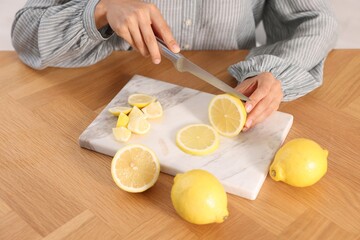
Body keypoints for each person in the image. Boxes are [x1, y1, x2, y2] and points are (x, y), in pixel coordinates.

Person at [11, 0, 338, 131]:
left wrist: (276, 70)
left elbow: (315, 20)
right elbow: (26, 35)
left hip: (229, 92)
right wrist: (102, 8)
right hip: (104, 98)